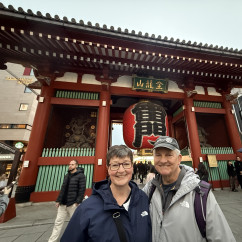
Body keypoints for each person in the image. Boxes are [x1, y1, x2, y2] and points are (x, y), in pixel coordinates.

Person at [143, 136, 236, 242]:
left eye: (169, 155)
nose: (163, 160)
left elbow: (222, 237)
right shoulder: (150, 189)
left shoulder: (200, 193)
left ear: (179, 159)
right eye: (158, 155)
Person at [61, 145, 152, 242]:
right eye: (115, 165)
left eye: (126, 164)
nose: (121, 170)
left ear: (132, 167)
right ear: (108, 168)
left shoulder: (144, 199)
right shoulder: (87, 208)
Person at [48, 160, 86, 242]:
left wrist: (77, 202)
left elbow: (82, 189)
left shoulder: (81, 176)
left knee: (75, 223)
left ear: (76, 165)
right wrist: (58, 200)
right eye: (69, 164)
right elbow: (63, 189)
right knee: (58, 222)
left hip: (72, 203)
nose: (70, 166)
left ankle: (77, 239)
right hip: (63, 203)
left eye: (72, 164)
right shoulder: (67, 175)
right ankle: (52, 240)